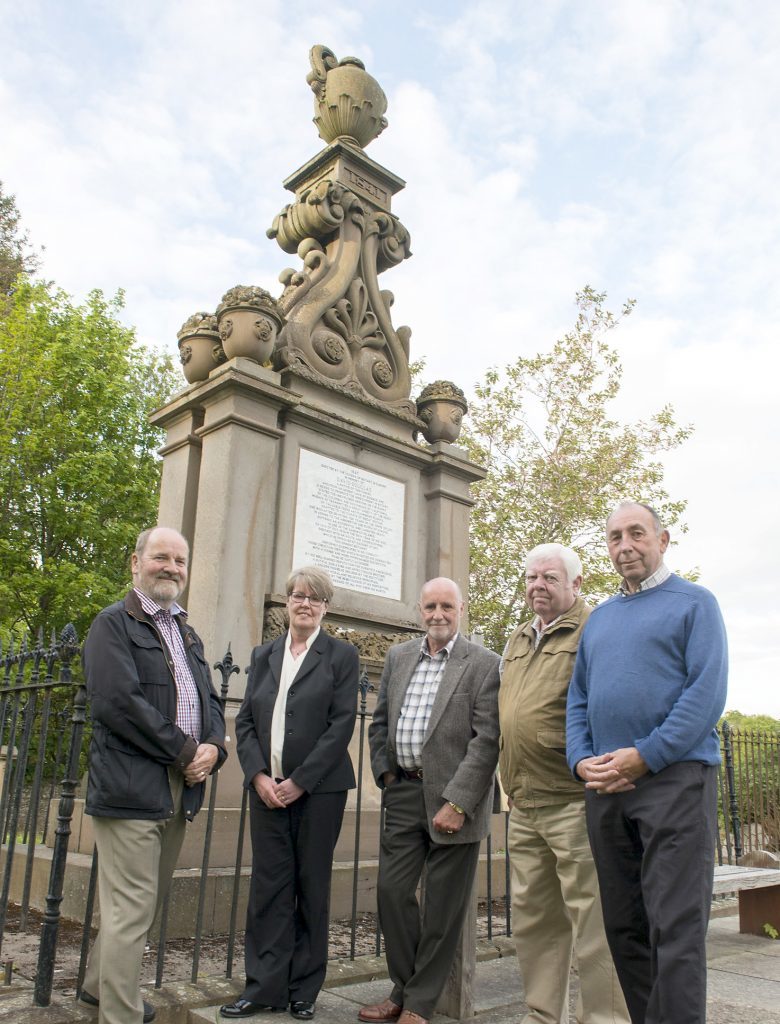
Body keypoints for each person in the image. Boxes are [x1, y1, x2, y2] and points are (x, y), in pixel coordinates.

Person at [566, 502, 728, 1024]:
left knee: (675, 928)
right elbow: (578, 700)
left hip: (675, 780)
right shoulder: (601, 619)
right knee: (624, 927)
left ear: (663, 539)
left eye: (637, 533)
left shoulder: (696, 604)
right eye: (614, 537)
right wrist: (580, 761)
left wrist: (646, 755)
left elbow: (705, 695)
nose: (625, 545)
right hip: (607, 787)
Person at [80, 526, 228, 1024]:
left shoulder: (186, 631)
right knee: (133, 905)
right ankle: (119, 1014)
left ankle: (97, 986)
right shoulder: (112, 624)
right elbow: (118, 703)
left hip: (179, 787)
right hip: (130, 783)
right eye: (161, 557)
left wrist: (213, 747)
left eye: (180, 560)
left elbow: (209, 699)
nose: (171, 567)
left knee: (144, 901)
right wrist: (186, 750)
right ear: (136, 562)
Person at [359, 578, 500, 1024]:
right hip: (403, 790)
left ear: (461, 609)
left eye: (446, 606)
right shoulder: (400, 657)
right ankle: (405, 987)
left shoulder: (483, 663)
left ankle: (416, 1003)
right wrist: (385, 772)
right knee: (391, 892)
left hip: (453, 800)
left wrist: (458, 802)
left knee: (443, 908)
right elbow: (379, 723)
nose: (438, 614)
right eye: (430, 607)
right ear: (420, 611)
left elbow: (487, 740)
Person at [499, 543, 629, 1024]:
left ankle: (605, 1019)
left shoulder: (596, 628)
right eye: (532, 577)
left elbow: (608, 704)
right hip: (524, 801)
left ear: (576, 584)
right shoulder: (517, 638)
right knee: (534, 921)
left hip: (574, 799)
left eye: (550, 578)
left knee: (594, 921)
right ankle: (541, 1015)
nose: (538, 585)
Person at [221, 567, 358, 1021]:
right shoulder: (264, 654)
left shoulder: (340, 656)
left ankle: (303, 989)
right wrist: (259, 776)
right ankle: (263, 987)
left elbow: (341, 726)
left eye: (314, 598)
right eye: (297, 595)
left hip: (319, 792)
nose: (305, 603)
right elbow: (244, 723)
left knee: (310, 885)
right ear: (286, 602)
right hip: (266, 793)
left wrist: (300, 781)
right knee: (268, 889)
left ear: (325, 606)